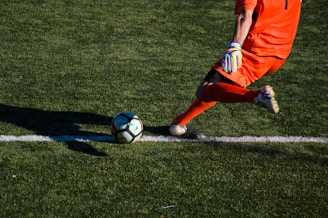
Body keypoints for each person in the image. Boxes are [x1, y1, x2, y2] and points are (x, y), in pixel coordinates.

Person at [169, 0, 302, 136]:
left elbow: (245, 15)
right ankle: (179, 124)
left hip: (256, 52)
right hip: (280, 55)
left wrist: (235, 46)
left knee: (204, 90)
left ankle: (255, 96)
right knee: (220, 85)